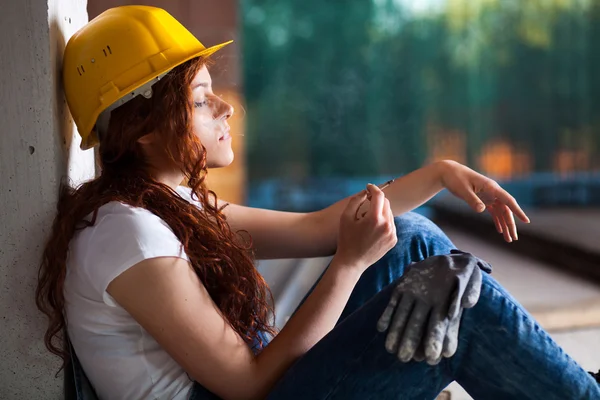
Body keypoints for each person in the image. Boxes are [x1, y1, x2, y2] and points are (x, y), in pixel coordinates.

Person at [35, 5, 599, 400]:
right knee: (459, 301)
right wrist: (351, 264)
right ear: (145, 131)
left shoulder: (166, 206)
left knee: (417, 242)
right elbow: (247, 385)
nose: (227, 109)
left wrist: (439, 174)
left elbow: (320, 225)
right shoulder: (127, 233)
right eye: (203, 101)